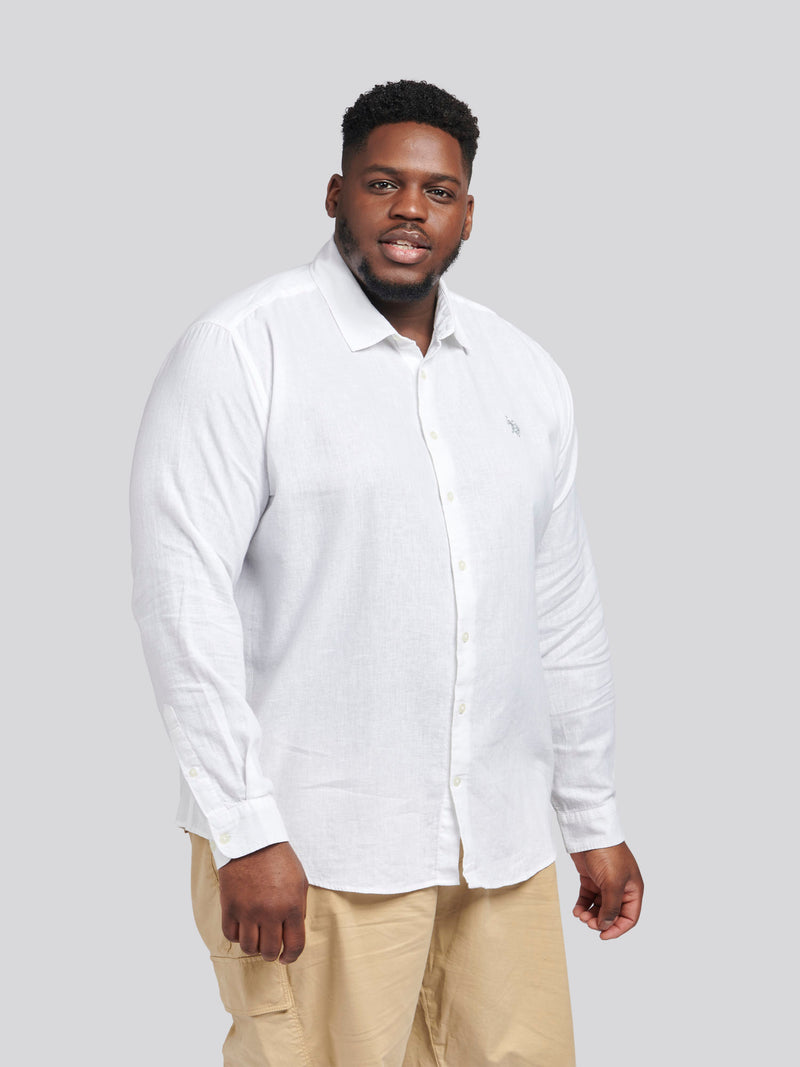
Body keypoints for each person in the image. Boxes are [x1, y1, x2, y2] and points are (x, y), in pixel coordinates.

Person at [130, 79, 643, 1066]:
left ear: (467, 213)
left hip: (497, 850)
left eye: (437, 191)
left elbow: (559, 612)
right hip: (317, 846)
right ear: (336, 194)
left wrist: (591, 815)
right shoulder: (243, 351)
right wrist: (245, 828)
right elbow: (180, 600)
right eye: (382, 183)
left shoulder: (522, 373)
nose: (411, 209)